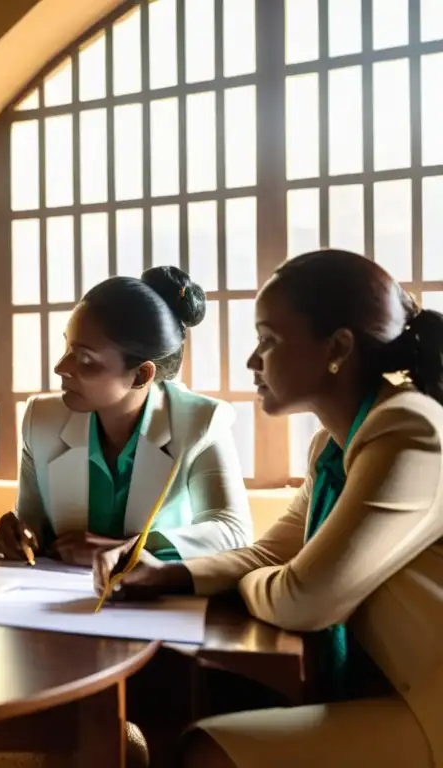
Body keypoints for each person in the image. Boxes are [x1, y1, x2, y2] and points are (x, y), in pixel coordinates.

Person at [94, 250, 443, 767]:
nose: (253, 361)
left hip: (429, 705)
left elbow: (305, 597)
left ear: (338, 348)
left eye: (269, 340)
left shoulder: (408, 431)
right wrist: (170, 575)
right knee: (191, 721)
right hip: (396, 683)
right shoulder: (332, 447)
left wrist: (261, 579)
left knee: (204, 751)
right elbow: (270, 554)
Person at [0, 266, 252, 567]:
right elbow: (33, 524)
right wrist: (19, 535)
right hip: (55, 601)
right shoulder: (42, 420)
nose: (61, 367)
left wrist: (125, 549)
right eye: (67, 347)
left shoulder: (201, 421)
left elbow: (233, 532)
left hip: (156, 604)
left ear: (141, 374)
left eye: (85, 359)